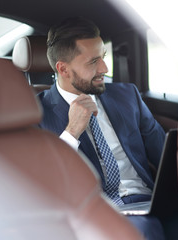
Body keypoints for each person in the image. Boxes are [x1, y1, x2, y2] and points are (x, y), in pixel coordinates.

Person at [38, 17, 166, 240]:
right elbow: (40, 183)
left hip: (147, 201)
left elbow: (163, 150)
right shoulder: (34, 112)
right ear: (63, 69)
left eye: (103, 57)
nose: (105, 69)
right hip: (92, 212)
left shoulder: (127, 95)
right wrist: (72, 131)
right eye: (93, 62)